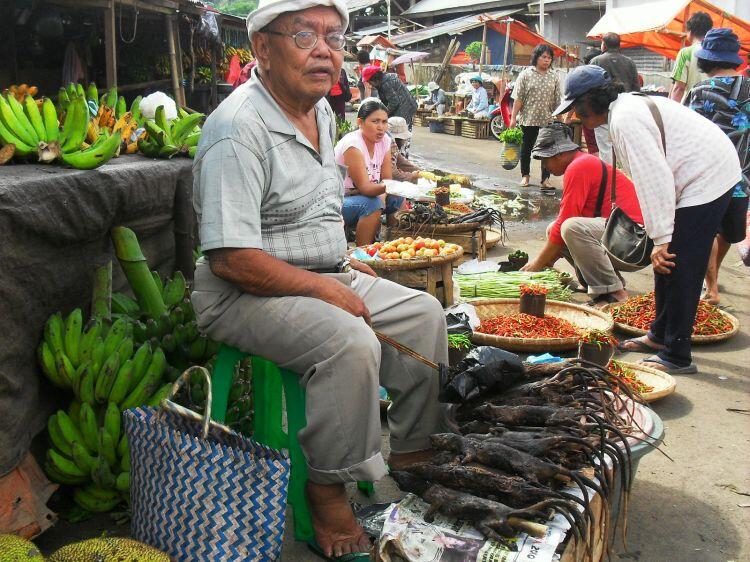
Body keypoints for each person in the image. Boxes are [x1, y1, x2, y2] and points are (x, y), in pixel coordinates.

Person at [191, 2, 447, 559]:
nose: (324, 50)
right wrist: (327, 288)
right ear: (262, 48)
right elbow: (231, 258)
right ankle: (327, 489)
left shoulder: (322, 112)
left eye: (334, 37)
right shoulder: (237, 130)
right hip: (241, 293)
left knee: (424, 314)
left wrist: (343, 262)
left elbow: (318, 209)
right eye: (304, 35)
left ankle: (412, 450)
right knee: (347, 341)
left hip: (320, 273)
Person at [554, 65, 741, 374]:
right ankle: (659, 335)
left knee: (677, 263)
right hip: (696, 172)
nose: (576, 115)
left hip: (708, 176)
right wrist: (661, 238)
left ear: (593, 100)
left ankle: (677, 354)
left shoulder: (626, 120)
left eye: (578, 107)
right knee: (666, 261)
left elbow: (655, 180)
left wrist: (662, 238)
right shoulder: (621, 111)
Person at [521, 122, 643, 307]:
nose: (545, 166)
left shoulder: (579, 166)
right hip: (621, 236)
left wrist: (538, 263)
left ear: (560, 153)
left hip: (634, 241)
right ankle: (602, 283)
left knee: (571, 228)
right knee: (554, 229)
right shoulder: (581, 162)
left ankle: (614, 293)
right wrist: (547, 262)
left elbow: (566, 221)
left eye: (546, 160)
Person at [685, 28, 750, 304]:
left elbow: (686, 134)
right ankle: (712, 279)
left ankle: (709, 285)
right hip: (743, 176)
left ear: (705, 60)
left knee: (708, 228)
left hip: (707, 176)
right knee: (729, 231)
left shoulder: (700, 91)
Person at [334, 99, 403, 245]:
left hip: (367, 194)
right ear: (360, 122)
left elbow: (387, 179)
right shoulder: (352, 145)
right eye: (375, 121)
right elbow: (365, 188)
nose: (381, 127)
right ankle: (363, 254)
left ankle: (396, 246)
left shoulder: (384, 141)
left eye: (384, 122)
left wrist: (390, 191)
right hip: (338, 200)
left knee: (398, 198)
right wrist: (394, 188)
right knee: (371, 204)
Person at [510, 44, 562, 189]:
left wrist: (560, 121)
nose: (547, 60)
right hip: (528, 119)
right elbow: (518, 98)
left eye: (549, 58)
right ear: (536, 58)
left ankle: (545, 180)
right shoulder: (526, 74)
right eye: (544, 57)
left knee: (547, 152)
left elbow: (557, 101)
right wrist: (513, 118)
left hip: (547, 121)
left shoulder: (554, 76)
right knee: (526, 149)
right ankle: (525, 176)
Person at [590, 33, 640, 162]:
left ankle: (608, 178)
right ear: (619, 45)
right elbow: (636, 87)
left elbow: (589, 88)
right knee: (623, 147)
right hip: (625, 111)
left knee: (605, 148)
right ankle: (622, 177)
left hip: (602, 111)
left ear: (604, 45)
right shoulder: (630, 63)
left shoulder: (596, 61)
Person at [669, 11, 713, 103]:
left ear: (690, 31)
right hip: (713, 108)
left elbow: (679, 88)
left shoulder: (686, 52)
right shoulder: (716, 52)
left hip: (692, 108)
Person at [388, 116, 420, 182]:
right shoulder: (388, 146)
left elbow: (402, 163)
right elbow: (393, 174)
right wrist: (412, 176)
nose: (405, 140)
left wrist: (421, 172)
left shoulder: (394, 147)